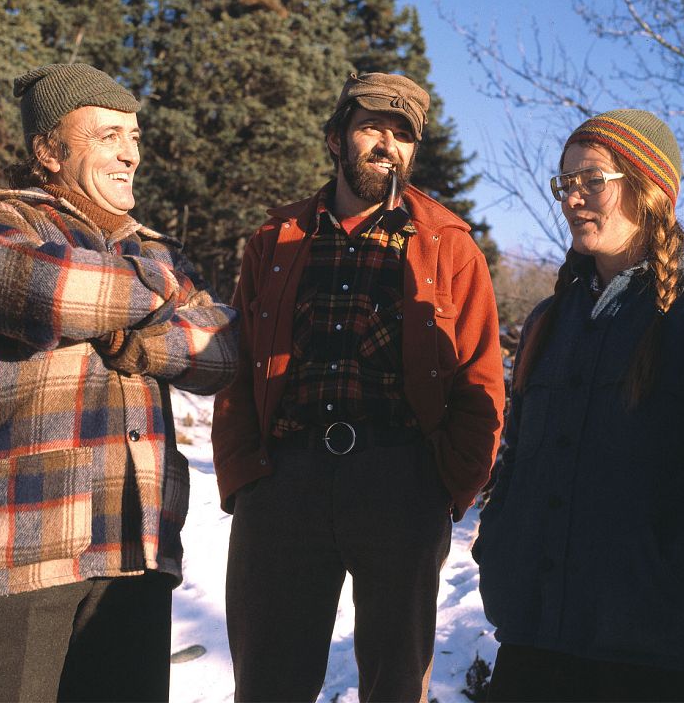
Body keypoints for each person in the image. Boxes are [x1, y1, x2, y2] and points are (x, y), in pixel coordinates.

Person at [0, 63, 239, 702]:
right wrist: (161, 291)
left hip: (138, 542)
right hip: (20, 547)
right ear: (47, 150)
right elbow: (52, 292)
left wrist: (134, 338)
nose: (131, 153)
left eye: (134, 136)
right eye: (108, 136)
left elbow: (223, 349)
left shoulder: (150, 245)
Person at [210, 71, 505, 702]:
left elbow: (481, 379)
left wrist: (445, 490)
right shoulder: (276, 240)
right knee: (267, 685)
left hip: (400, 483)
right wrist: (245, 480)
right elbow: (237, 369)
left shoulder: (449, 247)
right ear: (335, 137)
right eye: (373, 127)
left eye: (404, 135)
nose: (388, 146)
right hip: (283, 486)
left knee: (396, 687)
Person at [474, 110, 684, 702]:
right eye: (564, 183)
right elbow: (516, 456)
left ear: (651, 190)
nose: (572, 198)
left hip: (662, 653)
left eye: (592, 180)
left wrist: (682, 577)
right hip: (537, 636)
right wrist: (498, 545)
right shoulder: (548, 320)